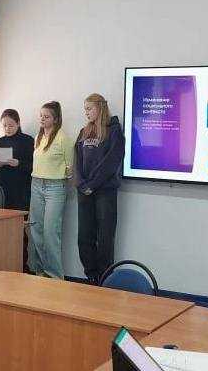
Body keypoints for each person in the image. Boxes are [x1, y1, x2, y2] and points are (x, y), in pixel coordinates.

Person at [75, 94, 125, 285]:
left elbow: (111, 162)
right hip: (84, 192)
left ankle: (105, 278)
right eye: (85, 109)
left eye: (89, 108)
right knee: (84, 236)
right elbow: (77, 159)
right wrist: (82, 184)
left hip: (105, 191)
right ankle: (91, 275)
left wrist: (92, 184)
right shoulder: (84, 131)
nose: (86, 112)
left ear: (100, 108)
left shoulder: (114, 131)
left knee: (105, 236)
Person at [28, 101, 73, 279]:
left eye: (46, 117)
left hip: (55, 186)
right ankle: (40, 271)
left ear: (55, 119)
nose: (42, 119)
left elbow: (70, 168)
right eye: (41, 115)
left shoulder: (63, 139)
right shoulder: (38, 138)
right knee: (36, 229)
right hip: (36, 184)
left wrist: (62, 178)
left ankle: (55, 276)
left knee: (50, 232)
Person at [0, 109, 34, 211]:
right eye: (4, 126)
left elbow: (34, 166)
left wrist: (19, 163)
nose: (7, 128)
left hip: (20, 190)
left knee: (19, 218)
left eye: (11, 125)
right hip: (0, 189)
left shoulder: (28, 141)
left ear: (18, 123)